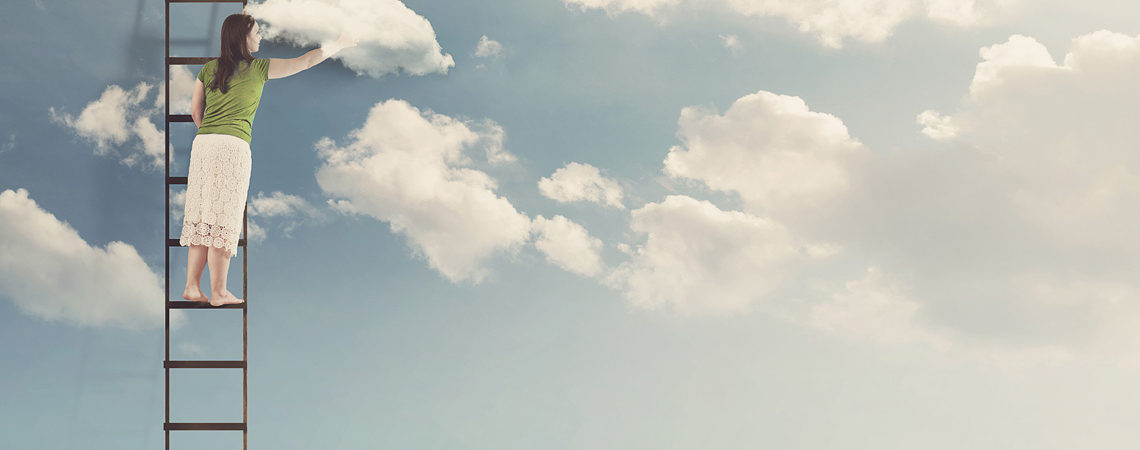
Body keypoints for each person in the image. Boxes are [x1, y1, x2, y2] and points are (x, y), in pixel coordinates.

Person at [180, 13, 358, 306]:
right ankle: (219, 292)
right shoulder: (258, 68)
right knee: (224, 219)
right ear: (243, 37)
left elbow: (195, 113)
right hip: (233, 146)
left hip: (204, 146)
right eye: (257, 32)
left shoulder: (209, 69)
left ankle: (191, 286)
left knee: (202, 216)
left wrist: (214, 133)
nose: (260, 37)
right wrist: (339, 43)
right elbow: (306, 61)